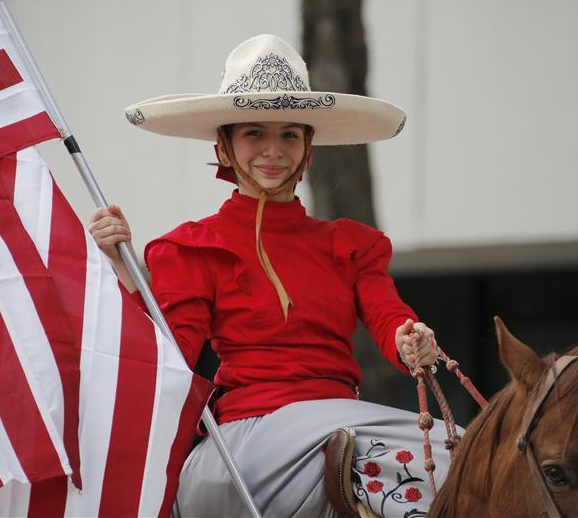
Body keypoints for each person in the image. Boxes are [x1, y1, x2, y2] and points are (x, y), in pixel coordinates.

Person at [90, 34, 454, 518]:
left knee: (466, 452)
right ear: (223, 148)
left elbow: (389, 315)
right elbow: (170, 361)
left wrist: (410, 339)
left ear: (308, 149)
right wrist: (125, 271)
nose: (273, 150)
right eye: (254, 133)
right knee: (405, 454)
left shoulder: (350, 244)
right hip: (246, 441)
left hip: (341, 427)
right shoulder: (192, 247)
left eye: (289, 135)